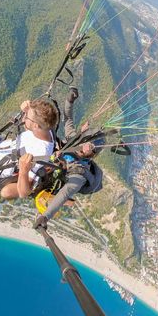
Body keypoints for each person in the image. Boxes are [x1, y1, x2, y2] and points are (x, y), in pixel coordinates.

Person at [34, 87, 105, 229]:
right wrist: (69, 100)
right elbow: (68, 118)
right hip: (51, 165)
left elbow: (64, 194)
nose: (85, 147)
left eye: (90, 148)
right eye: (86, 143)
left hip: (52, 183)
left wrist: (45, 216)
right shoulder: (74, 140)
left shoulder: (80, 173)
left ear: (92, 154)